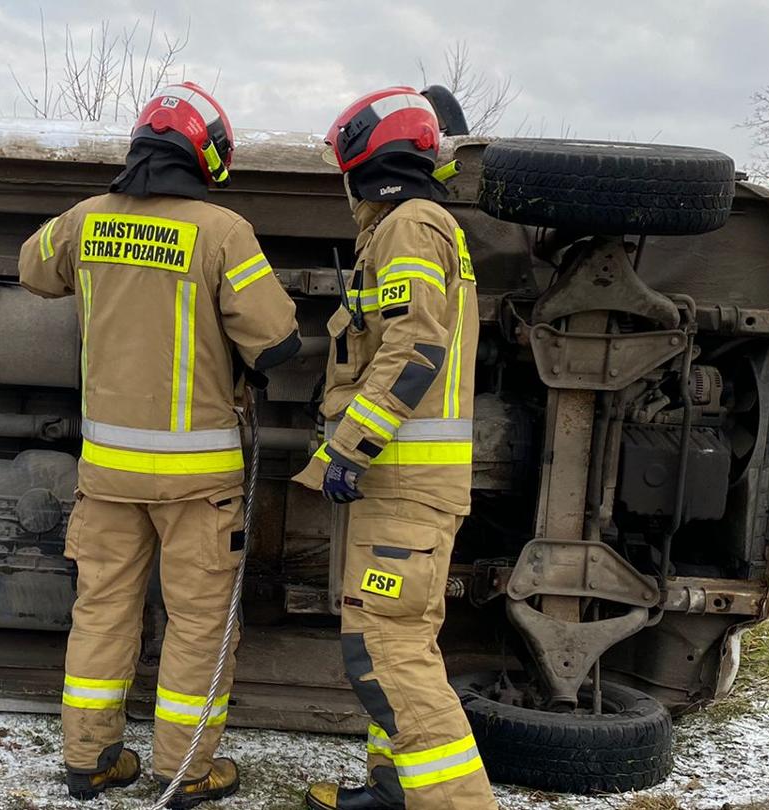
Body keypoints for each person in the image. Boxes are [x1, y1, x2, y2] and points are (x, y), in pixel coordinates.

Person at [17, 81, 302, 808]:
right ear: (208, 155)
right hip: (197, 481)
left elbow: (31, 267)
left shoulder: (87, 219)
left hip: (107, 473)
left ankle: (89, 761)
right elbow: (277, 343)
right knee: (199, 624)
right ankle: (185, 772)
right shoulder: (222, 232)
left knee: (102, 611)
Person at [293, 88, 496, 810]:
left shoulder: (409, 226)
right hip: (402, 485)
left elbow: (415, 348)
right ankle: (396, 788)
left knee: (386, 649)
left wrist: (350, 447)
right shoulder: (408, 228)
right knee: (396, 639)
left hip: (404, 483)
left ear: (367, 162)